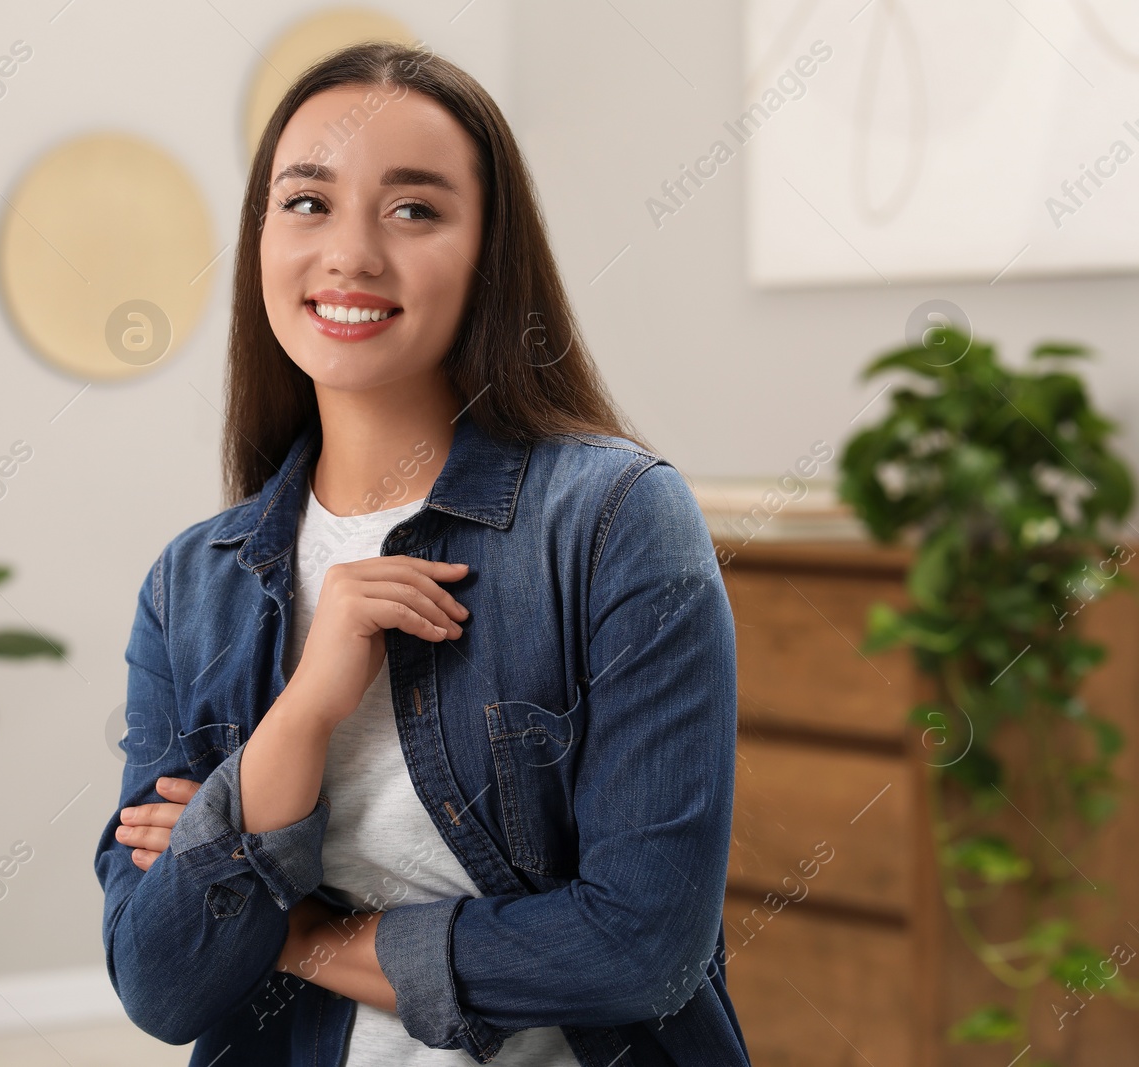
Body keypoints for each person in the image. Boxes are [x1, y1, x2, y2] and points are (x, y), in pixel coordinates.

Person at [94, 41, 751, 1067]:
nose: (350, 254)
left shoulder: (615, 520)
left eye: (413, 210)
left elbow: (639, 948)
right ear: (259, 235)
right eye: (306, 202)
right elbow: (162, 980)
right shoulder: (193, 587)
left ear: (488, 250)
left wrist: (296, 931)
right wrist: (308, 705)